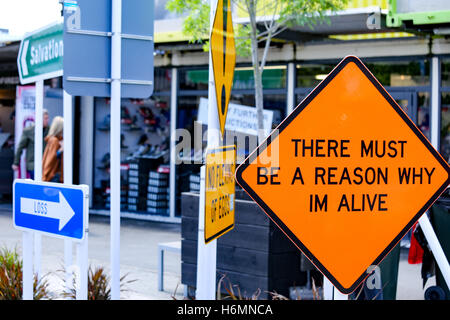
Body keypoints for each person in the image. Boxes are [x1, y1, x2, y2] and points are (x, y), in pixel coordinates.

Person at [12, 109, 50, 179]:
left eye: (48, 118)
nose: (47, 120)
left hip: (46, 165)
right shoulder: (29, 130)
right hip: (33, 165)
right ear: (39, 118)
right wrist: (16, 163)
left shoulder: (49, 130)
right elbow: (20, 147)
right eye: (45, 118)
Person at [42, 116, 64, 182]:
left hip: (53, 174)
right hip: (53, 175)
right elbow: (51, 159)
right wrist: (61, 149)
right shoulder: (54, 140)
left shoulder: (54, 139)